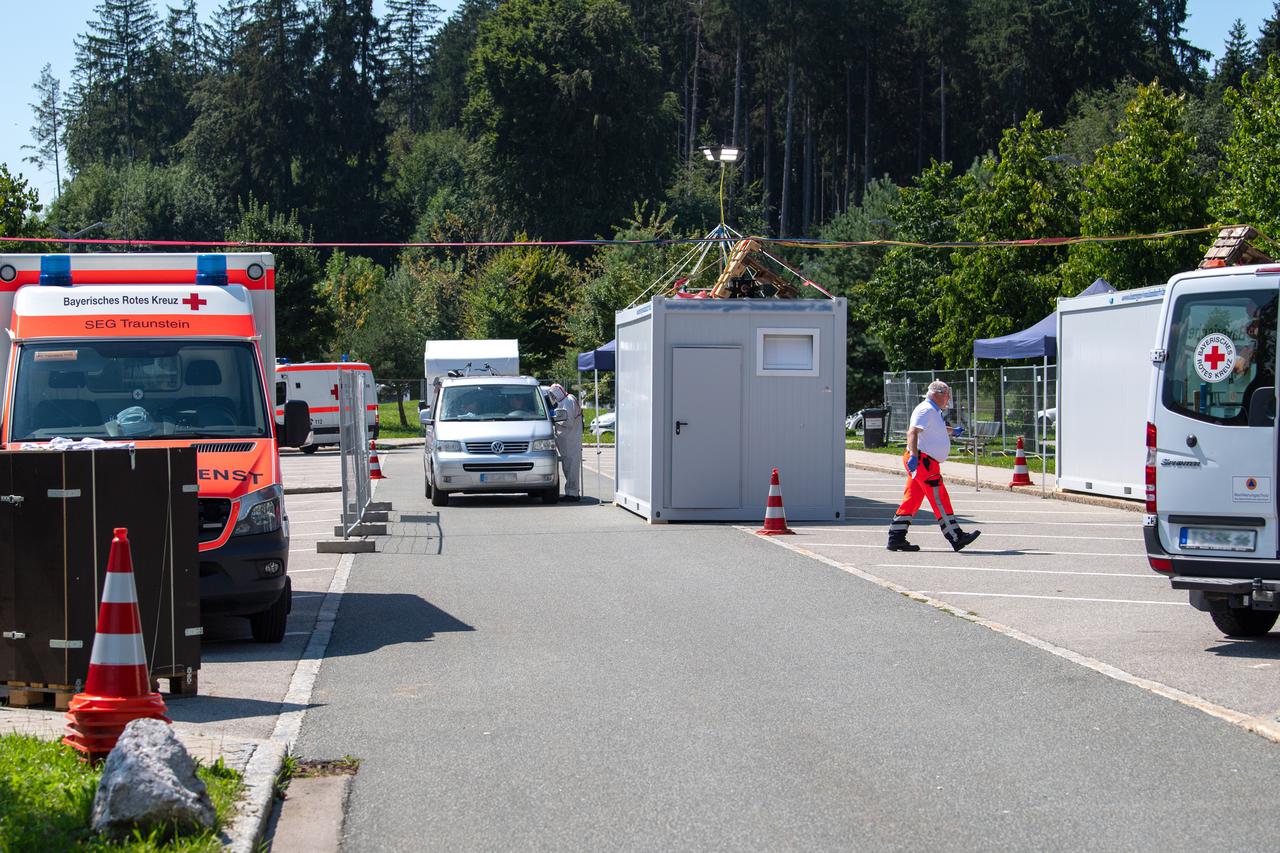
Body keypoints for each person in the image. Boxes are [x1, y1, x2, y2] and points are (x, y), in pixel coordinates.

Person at [887, 380, 981, 552]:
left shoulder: (932, 411)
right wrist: (914, 456)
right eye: (947, 395)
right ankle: (956, 536)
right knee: (939, 497)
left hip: (923, 461)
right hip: (924, 462)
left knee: (912, 499)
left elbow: (934, 429)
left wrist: (952, 431)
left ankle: (896, 537)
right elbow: (912, 432)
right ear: (938, 394)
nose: (948, 398)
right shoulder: (926, 410)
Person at [549, 383, 582, 501]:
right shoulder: (563, 402)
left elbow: (569, 422)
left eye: (553, 394)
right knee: (567, 467)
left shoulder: (569, 400)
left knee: (571, 467)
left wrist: (555, 420)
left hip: (571, 440)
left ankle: (573, 494)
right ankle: (571, 492)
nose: (552, 396)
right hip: (566, 440)